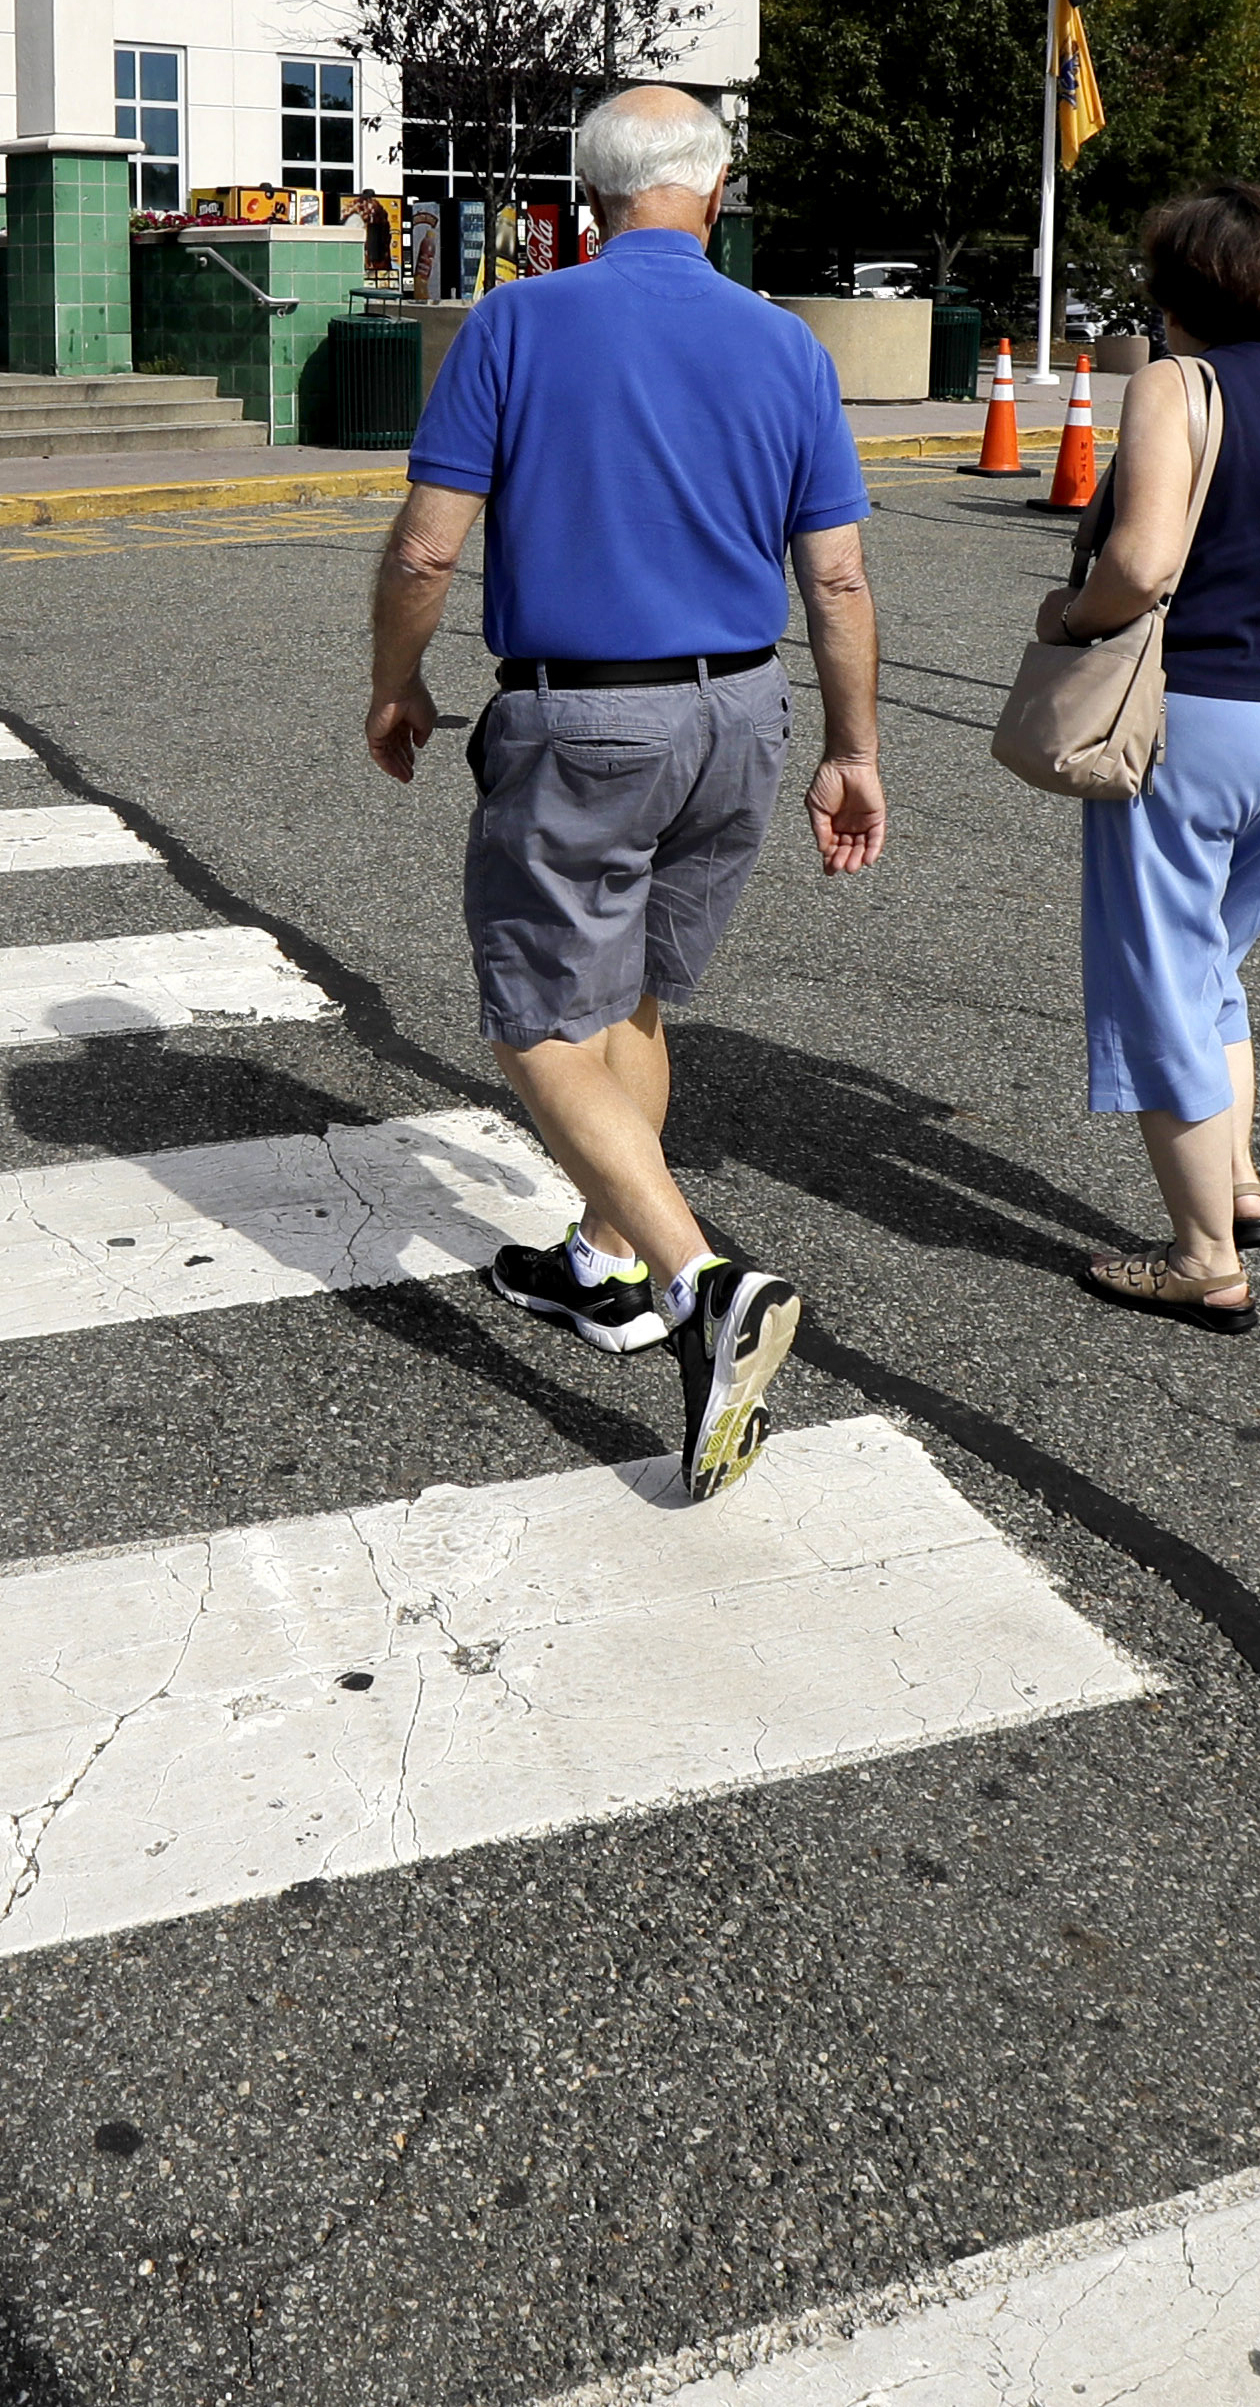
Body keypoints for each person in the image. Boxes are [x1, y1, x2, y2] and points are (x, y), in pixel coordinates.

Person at [365, 85, 886, 1504]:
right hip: (740, 709)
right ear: (712, 193)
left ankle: (703, 1281)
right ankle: (607, 1261)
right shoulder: (785, 344)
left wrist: (395, 683)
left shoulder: (522, 323)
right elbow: (834, 573)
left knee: (536, 1015)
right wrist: (855, 747)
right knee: (634, 989)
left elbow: (425, 550)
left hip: (584, 709)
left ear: (585, 200)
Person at [1048, 182, 1260, 1325]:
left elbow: (1138, 564)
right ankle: (1234, 1182)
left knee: (1160, 982)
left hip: (1202, 711)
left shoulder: (1173, 384)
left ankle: (1201, 1258)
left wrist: (1073, 620)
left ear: (1171, 288)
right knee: (1212, 964)